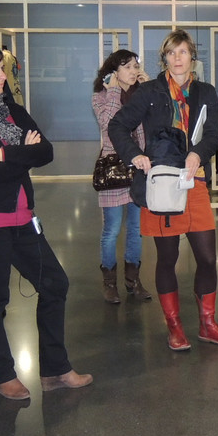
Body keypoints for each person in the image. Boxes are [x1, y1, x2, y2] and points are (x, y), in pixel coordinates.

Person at [0, 42, 92, 400]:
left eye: (2, 68)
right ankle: (1, 375)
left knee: (54, 284)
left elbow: (46, 151)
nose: (2, 75)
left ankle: (55, 369)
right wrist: (22, 153)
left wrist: (5, 154)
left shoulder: (13, 110)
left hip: (22, 217)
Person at [109, 29, 218, 352]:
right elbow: (117, 125)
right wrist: (135, 155)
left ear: (192, 56)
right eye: (171, 53)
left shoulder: (205, 92)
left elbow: (213, 133)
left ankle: (208, 324)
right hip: (162, 184)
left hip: (194, 181)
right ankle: (175, 326)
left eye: (182, 52)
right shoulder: (149, 91)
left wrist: (198, 154)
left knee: (207, 258)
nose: (177, 58)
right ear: (164, 58)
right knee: (167, 257)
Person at [91, 49, 152, 303]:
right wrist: (115, 90)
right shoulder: (101, 96)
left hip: (139, 168)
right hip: (114, 169)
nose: (133, 71)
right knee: (112, 229)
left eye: (135, 66)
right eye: (127, 67)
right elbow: (108, 124)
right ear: (114, 72)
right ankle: (109, 282)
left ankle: (132, 280)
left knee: (136, 229)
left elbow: (157, 122)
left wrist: (150, 89)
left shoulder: (142, 94)